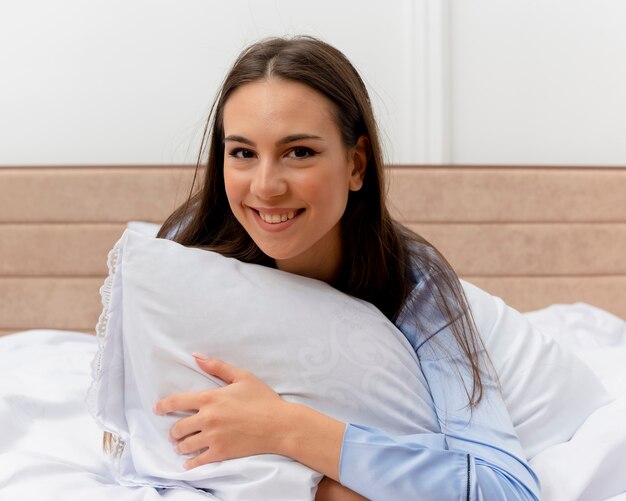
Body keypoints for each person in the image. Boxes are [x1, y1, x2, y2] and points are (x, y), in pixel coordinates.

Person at [153, 36, 541, 500]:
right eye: (242, 153)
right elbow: (142, 436)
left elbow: (507, 491)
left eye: (299, 152)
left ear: (356, 165)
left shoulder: (414, 283)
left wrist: (285, 428)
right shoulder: (188, 251)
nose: (266, 186)